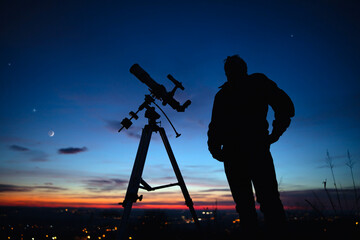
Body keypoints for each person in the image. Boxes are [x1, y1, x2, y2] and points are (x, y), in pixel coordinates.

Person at [207, 55, 295, 234]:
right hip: (239, 154)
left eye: (233, 68)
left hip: (252, 152)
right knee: (250, 205)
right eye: (229, 69)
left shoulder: (256, 83)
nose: (231, 73)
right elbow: (215, 126)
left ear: (243, 69)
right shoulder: (223, 94)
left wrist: (276, 132)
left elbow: (285, 107)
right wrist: (215, 149)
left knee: (265, 202)